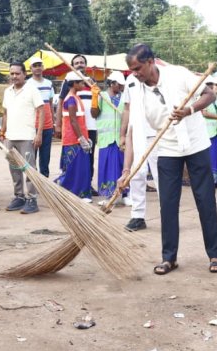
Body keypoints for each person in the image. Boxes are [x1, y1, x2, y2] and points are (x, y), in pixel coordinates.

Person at [117, 44, 217, 275]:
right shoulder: (136, 90)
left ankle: (215, 255)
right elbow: (134, 132)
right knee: (168, 204)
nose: (135, 74)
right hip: (166, 149)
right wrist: (127, 171)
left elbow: (209, 94)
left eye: (138, 68)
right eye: (131, 70)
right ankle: (169, 258)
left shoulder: (178, 74)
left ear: (151, 62)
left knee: (205, 201)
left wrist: (190, 110)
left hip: (196, 145)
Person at [0, 61, 44, 214]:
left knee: (29, 168)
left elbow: (41, 110)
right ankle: (19, 197)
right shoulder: (7, 91)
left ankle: (32, 199)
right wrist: (3, 132)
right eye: (12, 73)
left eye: (17, 73)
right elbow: (5, 113)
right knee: (14, 168)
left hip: (27, 136)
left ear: (25, 74)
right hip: (10, 137)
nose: (14, 76)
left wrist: (39, 133)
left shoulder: (32, 90)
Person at [119, 67, 160, 232]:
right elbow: (127, 108)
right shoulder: (130, 81)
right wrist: (123, 133)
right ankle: (137, 216)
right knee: (136, 175)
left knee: (162, 177)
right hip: (136, 134)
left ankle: (168, 215)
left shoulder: (157, 78)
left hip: (157, 134)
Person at [57, 54, 98, 180]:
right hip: (73, 126)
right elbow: (61, 101)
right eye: (76, 63)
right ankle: (70, 183)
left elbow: (96, 102)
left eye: (82, 62)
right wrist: (58, 124)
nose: (79, 64)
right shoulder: (69, 81)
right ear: (73, 66)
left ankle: (87, 184)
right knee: (72, 156)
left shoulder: (91, 81)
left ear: (86, 65)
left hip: (90, 125)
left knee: (89, 157)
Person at [56, 72, 93, 201]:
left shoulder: (75, 97)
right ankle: (70, 192)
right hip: (73, 140)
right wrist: (81, 139)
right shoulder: (71, 99)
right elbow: (73, 120)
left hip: (77, 138)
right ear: (74, 83)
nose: (84, 84)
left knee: (81, 168)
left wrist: (84, 137)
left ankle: (80, 193)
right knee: (73, 169)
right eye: (81, 82)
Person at [93, 70, 127, 201]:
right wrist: (94, 100)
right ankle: (107, 195)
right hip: (106, 139)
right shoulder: (101, 96)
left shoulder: (124, 97)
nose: (121, 87)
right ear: (112, 84)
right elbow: (94, 114)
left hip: (120, 138)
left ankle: (124, 194)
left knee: (122, 167)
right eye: (119, 84)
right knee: (106, 166)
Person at [28, 55, 55, 177]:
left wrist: (54, 123)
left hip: (48, 125)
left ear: (43, 67)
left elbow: (50, 104)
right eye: (35, 66)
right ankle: (33, 182)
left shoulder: (49, 83)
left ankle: (45, 180)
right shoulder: (27, 84)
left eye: (40, 65)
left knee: (45, 156)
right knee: (31, 155)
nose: (38, 68)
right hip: (32, 125)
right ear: (31, 68)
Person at [200, 80, 217, 186]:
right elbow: (204, 112)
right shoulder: (205, 98)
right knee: (211, 156)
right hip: (208, 131)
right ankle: (212, 180)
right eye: (216, 85)